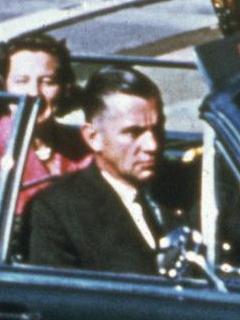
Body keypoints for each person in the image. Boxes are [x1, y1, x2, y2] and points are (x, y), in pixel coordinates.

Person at [22, 66, 179, 275]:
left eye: (157, 129)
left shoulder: (185, 185)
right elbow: (61, 299)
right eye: (134, 132)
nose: (152, 145)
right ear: (93, 137)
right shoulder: (59, 211)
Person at [0, 30, 89, 204]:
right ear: (4, 87)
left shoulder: (82, 143)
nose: (34, 93)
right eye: (21, 81)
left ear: (63, 87)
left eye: (47, 81)